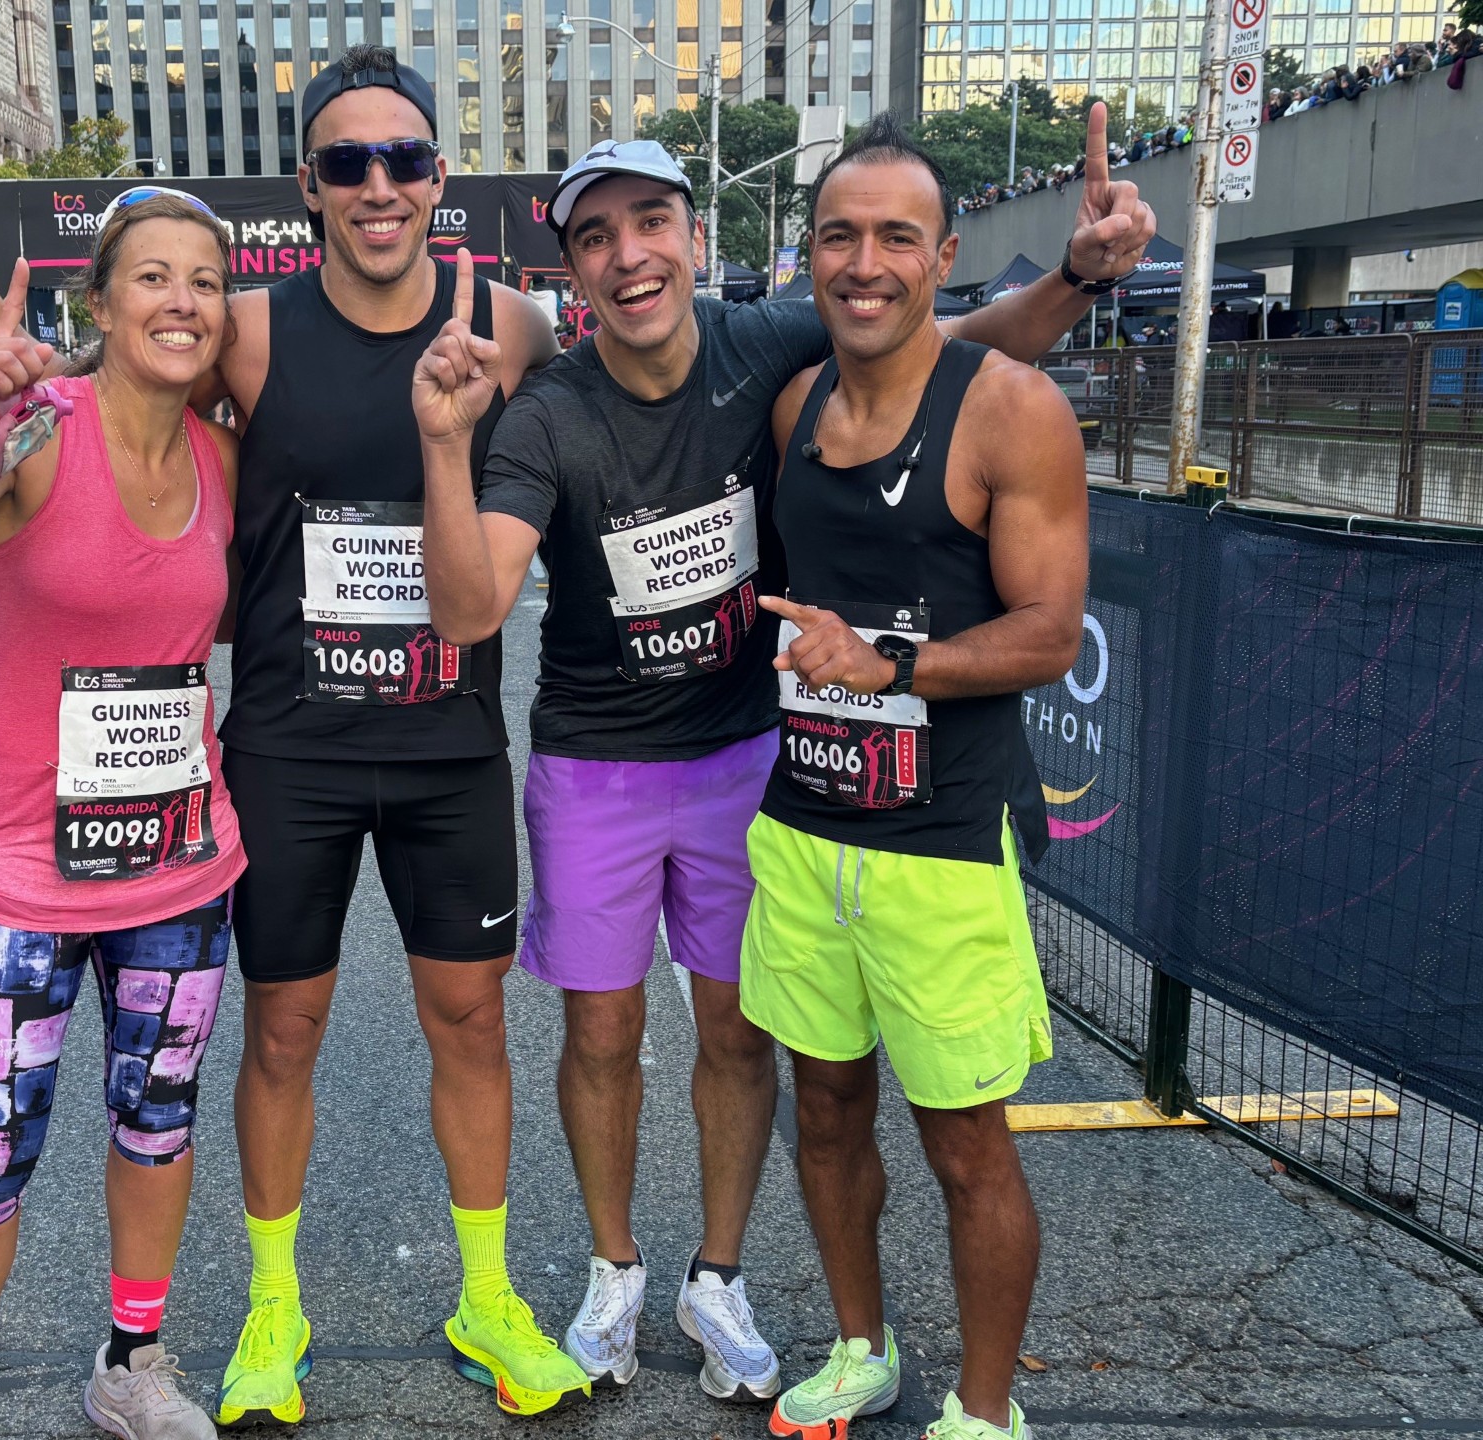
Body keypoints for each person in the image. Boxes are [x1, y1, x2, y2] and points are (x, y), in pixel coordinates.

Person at [410, 107, 1149, 1408]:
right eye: (595, 237)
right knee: (605, 1028)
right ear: (572, 268)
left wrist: (1080, 280)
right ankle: (614, 1270)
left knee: (745, 1039)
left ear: (695, 239)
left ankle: (724, 1277)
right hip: (601, 761)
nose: (628, 255)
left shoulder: (765, 348)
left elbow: (955, 353)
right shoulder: (547, 417)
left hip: (755, 753)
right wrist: (441, 442)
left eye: (649, 223)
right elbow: (473, 612)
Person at [0, 48, 591, 1425]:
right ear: (311, 187)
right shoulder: (253, 334)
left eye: (404, 159)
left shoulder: (512, 325)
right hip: (289, 744)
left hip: (450, 736)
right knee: (283, 1030)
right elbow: (111, 398)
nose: (378, 185)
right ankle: (274, 1312)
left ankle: (489, 1296)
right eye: (347, 163)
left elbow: (601, 436)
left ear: (440, 177)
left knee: (471, 1020)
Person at [0, 190, 247, 1440]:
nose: (181, 301)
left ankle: (130, 1364)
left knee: (158, 1125)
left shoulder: (223, 458)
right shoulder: (35, 429)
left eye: (205, 282)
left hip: (179, 873)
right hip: (20, 882)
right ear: (106, 303)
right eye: (152, 278)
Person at [738, 111, 1087, 1440]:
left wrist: (894, 668)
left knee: (965, 1145)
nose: (865, 261)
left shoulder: (1012, 409)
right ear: (809, 257)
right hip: (803, 822)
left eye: (896, 235)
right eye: (839, 235)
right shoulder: (796, 403)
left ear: (945, 255)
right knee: (823, 1109)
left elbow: (1049, 633)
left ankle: (985, 1413)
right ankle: (860, 1349)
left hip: (944, 844)